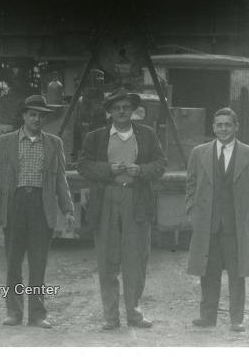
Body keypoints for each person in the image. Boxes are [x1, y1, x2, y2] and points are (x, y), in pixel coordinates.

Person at [77, 87, 167, 330]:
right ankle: (110, 316)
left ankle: (134, 314)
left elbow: (161, 163)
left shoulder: (147, 135)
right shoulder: (95, 137)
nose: (121, 112)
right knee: (107, 260)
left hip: (136, 198)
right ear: (109, 112)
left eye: (126, 107)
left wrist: (142, 171)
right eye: (116, 108)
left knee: (135, 259)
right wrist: (108, 170)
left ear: (133, 110)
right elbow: (83, 165)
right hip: (106, 198)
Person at [0, 94, 75, 329]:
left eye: (41, 115)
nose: (37, 119)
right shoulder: (5, 141)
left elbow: (61, 182)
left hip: (41, 205)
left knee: (38, 263)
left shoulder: (54, 143)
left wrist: (68, 210)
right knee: (13, 262)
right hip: (15, 204)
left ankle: (37, 314)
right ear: (24, 115)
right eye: (33, 114)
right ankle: (14, 313)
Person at [185, 107, 249, 333]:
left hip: (235, 225)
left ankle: (236, 319)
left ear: (236, 127)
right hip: (207, 224)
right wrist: (192, 209)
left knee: (237, 273)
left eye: (227, 124)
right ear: (213, 128)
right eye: (219, 125)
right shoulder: (199, 153)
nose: (223, 129)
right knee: (208, 272)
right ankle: (207, 317)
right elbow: (190, 184)